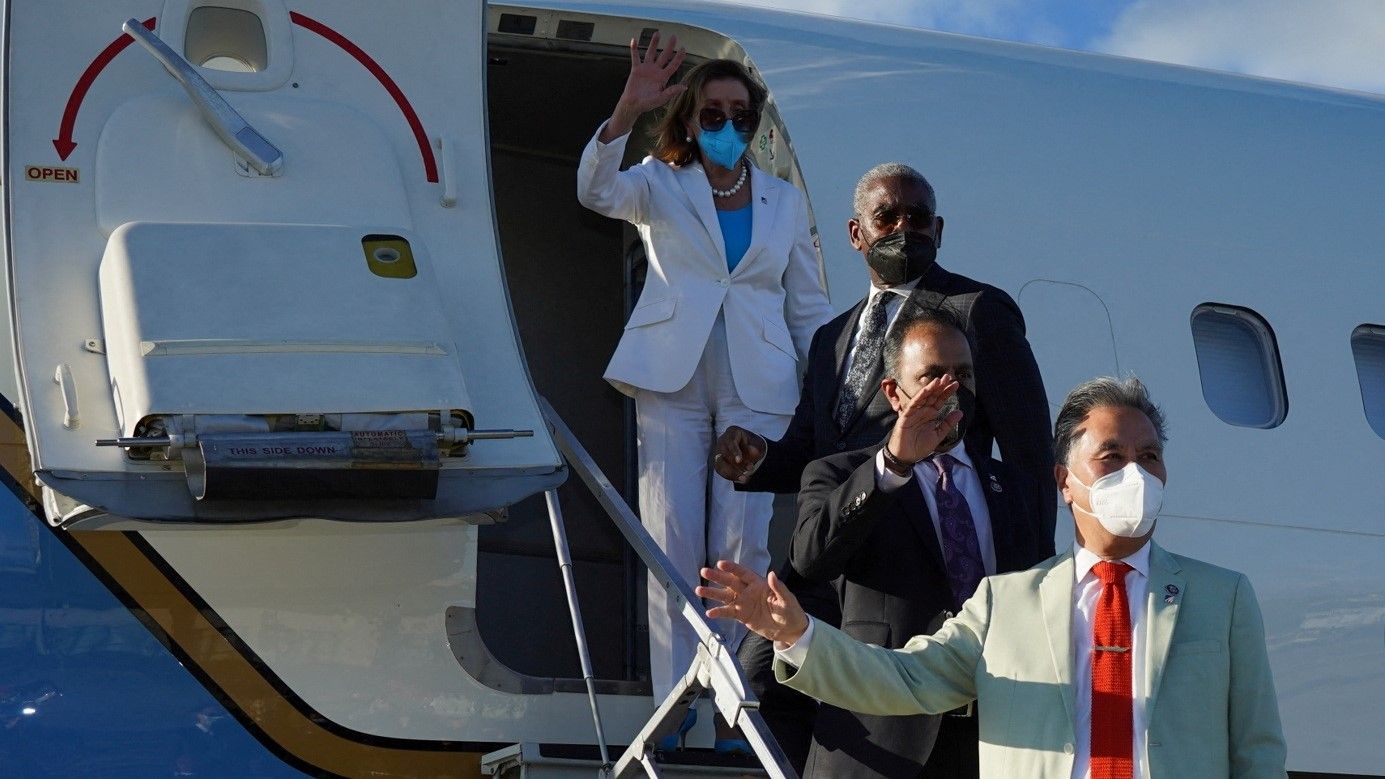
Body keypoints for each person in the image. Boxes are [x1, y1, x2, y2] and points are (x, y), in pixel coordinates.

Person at [699, 377, 1288, 778]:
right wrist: (798, 635)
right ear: (1064, 482)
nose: (1136, 473)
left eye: (1150, 456)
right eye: (1111, 457)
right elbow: (903, 680)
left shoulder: (1224, 597)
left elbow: (1257, 749)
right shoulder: (1005, 603)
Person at [714, 163, 1054, 773]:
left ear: (939, 229)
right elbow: (815, 448)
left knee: (895, 709)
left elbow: (1029, 456)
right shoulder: (831, 338)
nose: (904, 228)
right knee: (758, 687)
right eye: (888, 217)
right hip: (833, 547)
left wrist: (1034, 582)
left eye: (919, 218)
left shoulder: (977, 310)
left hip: (915, 555)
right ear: (856, 233)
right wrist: (756, 461)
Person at [576, 33, 833, 737]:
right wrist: (626, 112)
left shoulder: (782, 200)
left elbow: (807, 305)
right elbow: (594, 190)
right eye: (713, 112)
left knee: (740, 546)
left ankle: (728, 703)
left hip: (759, 380)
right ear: (689, 117)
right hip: (671, 376)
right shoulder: (659, 182)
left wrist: (831, 386)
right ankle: (674, 705)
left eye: (740, 115)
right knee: (670, 537)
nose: (726, 126)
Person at [786, 304, 1052, 777]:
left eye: (963, 375)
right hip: (878, 742)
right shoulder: (842, 473)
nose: (951, 389)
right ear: (894, 391)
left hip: (991, 743)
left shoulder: (1012, 488)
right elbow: (811, 559)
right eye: (933, 376)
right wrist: (894, 466)